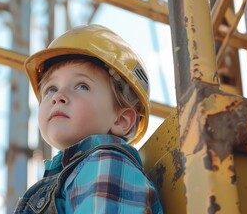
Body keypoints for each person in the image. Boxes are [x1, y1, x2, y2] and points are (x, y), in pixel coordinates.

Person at [14, 24, 163, 213]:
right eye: (51, 89)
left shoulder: (107, 163)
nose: (57, 96)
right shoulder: (70, 175)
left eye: (82, 86)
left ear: (121, 120)